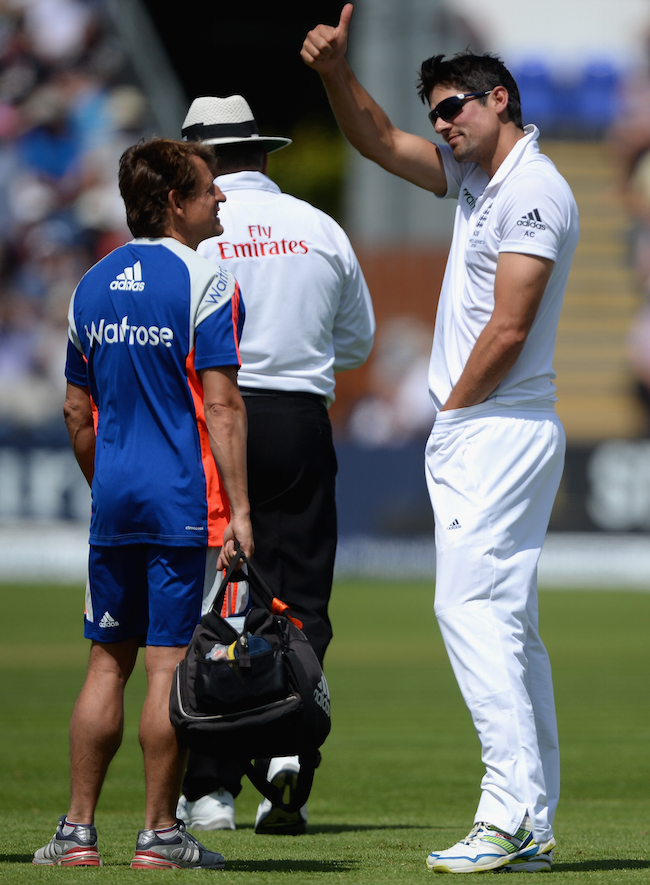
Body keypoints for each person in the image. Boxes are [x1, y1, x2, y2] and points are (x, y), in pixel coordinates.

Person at [301, 4, 579, 874]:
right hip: (496, 424)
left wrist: (453, 412)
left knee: (468, 612)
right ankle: (530, 817)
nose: (443, 123)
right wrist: (334, 76)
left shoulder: (532, 189)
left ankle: (504, 812)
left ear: (501, 99)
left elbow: (509, 327)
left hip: (494, 423)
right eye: (437, 111)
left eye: (456, 105)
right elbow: (380, 141)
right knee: (510, 625)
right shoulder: (477, 178)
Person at [32, 137, 253, 870]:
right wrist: (242, 512)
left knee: (105, 663)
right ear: (173, 203)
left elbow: (75, 412)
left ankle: (76, 831)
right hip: (177, 498)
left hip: (115, 498)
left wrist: (105, 483)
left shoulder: (89, 283)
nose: (219, 197)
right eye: (207, 187)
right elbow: (221, 408)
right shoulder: (205, 280)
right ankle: (160, 834)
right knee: (165, 668)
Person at [175, 94, 375, 835]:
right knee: (302, 603)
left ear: (200, 157)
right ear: (263, 151)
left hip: (213, 416)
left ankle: (209, 786)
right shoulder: (319, 227)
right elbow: (356, 342)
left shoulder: (193, 234)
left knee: (218, 599)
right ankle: (286, 770)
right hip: (298, 416)